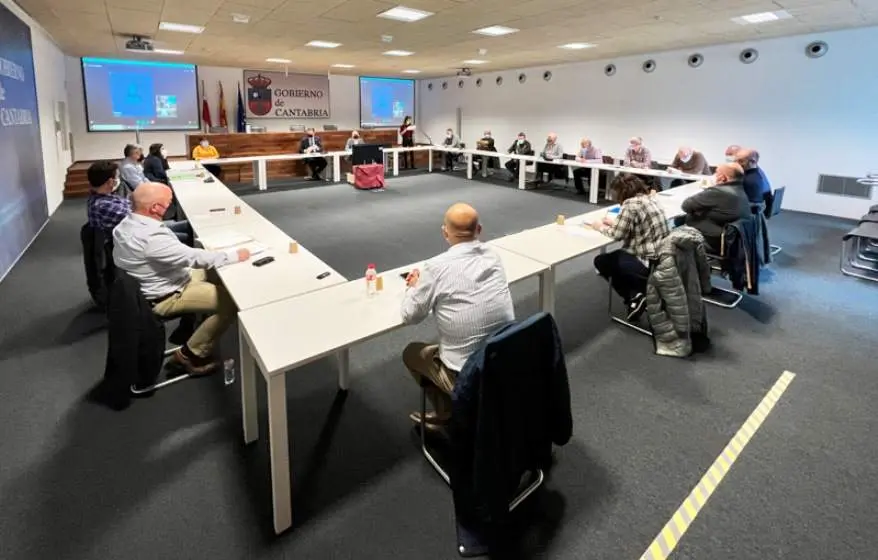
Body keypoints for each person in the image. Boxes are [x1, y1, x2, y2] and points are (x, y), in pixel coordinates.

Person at [113, 183, 250, 374]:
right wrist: (234, 255)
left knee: (214, 272)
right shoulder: (152, 237)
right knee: (232, 302)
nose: (170, 206)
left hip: (160, 282)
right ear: (155, 208)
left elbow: (183, 256)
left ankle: (193, 325)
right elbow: (193, 258)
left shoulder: (125, 225)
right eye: (168, 203)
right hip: (168, 295)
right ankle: (190, 355)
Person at [401, 203, 514, 430]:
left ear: (445, 233)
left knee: (412, 353)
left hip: (467, 372)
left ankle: (448, 415)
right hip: (505, 358)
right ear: (479, 230)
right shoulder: (494, 256)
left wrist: (414, 288)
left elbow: (409, 316)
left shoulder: (435, 268)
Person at [591, 174, 670, 320]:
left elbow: (617, 235)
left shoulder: (630, 205)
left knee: (602, 261)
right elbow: (639, 225)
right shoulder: (651, 199)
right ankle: (637, 296)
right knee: (615, 259)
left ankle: (635, 296)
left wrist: (599, 226)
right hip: (664, 259)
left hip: (647, 262)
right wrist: (614, 222)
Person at [86, 162, 190, 243]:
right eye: (117, 177)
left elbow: (133, 207)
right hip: (141, 239)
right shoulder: (103, 205)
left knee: (189, 225)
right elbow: (143, 218)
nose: (119, 180)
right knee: (189, 236)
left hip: (143, 230)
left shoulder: (102, 197)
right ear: (110, 182)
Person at [680, 163, 751, 254]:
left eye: (716, 173)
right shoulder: (739, 189)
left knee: (674, 237)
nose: (713, 176)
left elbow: (686, 205)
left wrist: (711, 189)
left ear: (723, 178)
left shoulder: (718, 191)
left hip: (716, 241)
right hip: (735, 240)